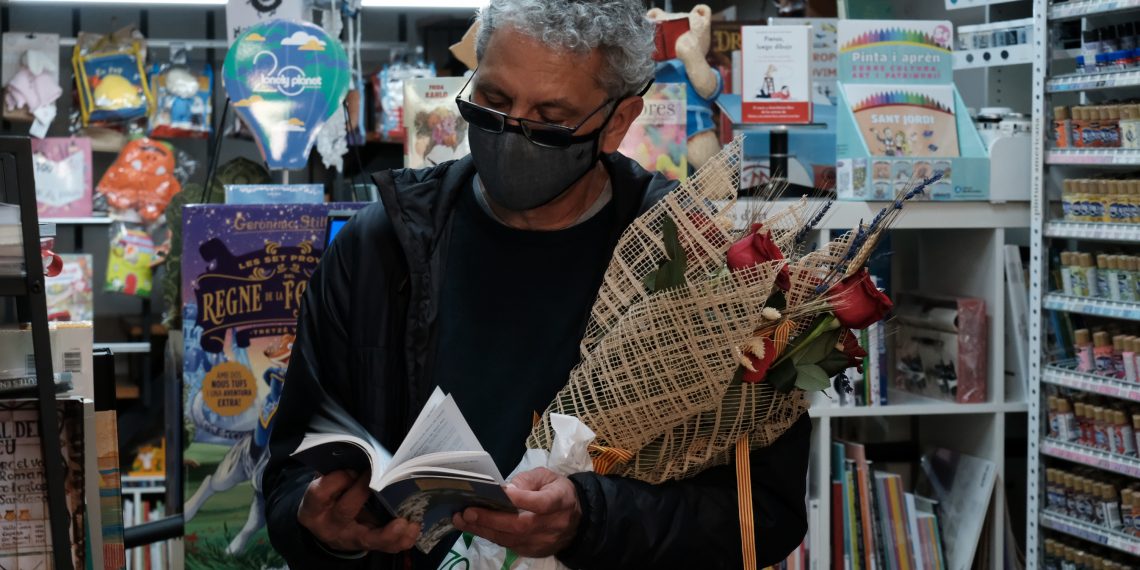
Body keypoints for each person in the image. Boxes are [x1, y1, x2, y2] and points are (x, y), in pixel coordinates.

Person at [263, 1, 812, 568]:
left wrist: (591, 519)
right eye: (494, 101)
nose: (510, 132)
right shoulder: (378, 248)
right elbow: (287, 475)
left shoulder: (699, 266)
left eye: (550, 118)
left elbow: (763, 514)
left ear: (617, 123)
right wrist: (324, 529)